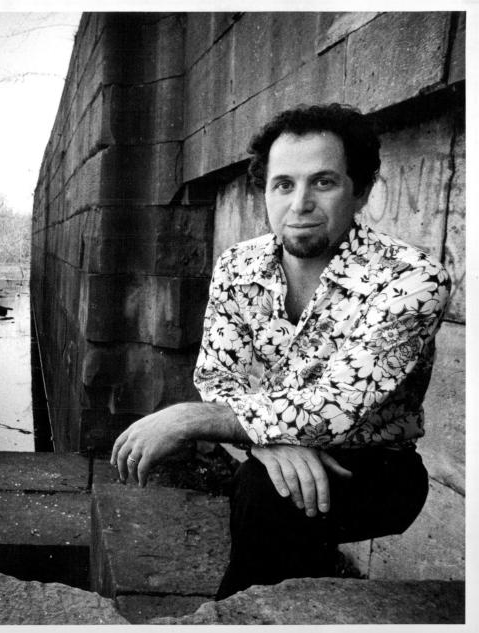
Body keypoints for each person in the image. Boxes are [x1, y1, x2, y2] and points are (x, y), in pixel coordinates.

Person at [109, 103, 450, 599]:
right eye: (284, 184)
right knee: (272, 498)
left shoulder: (411, 278)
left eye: (324, 182)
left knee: (265, 494)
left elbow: (335, 410)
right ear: (265, 192)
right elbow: (217, 378)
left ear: (361, 191)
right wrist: (271, 441)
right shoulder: (238, 266)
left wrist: (189, 419)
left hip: (377, 466)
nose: (301, 203)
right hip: (274, 457)